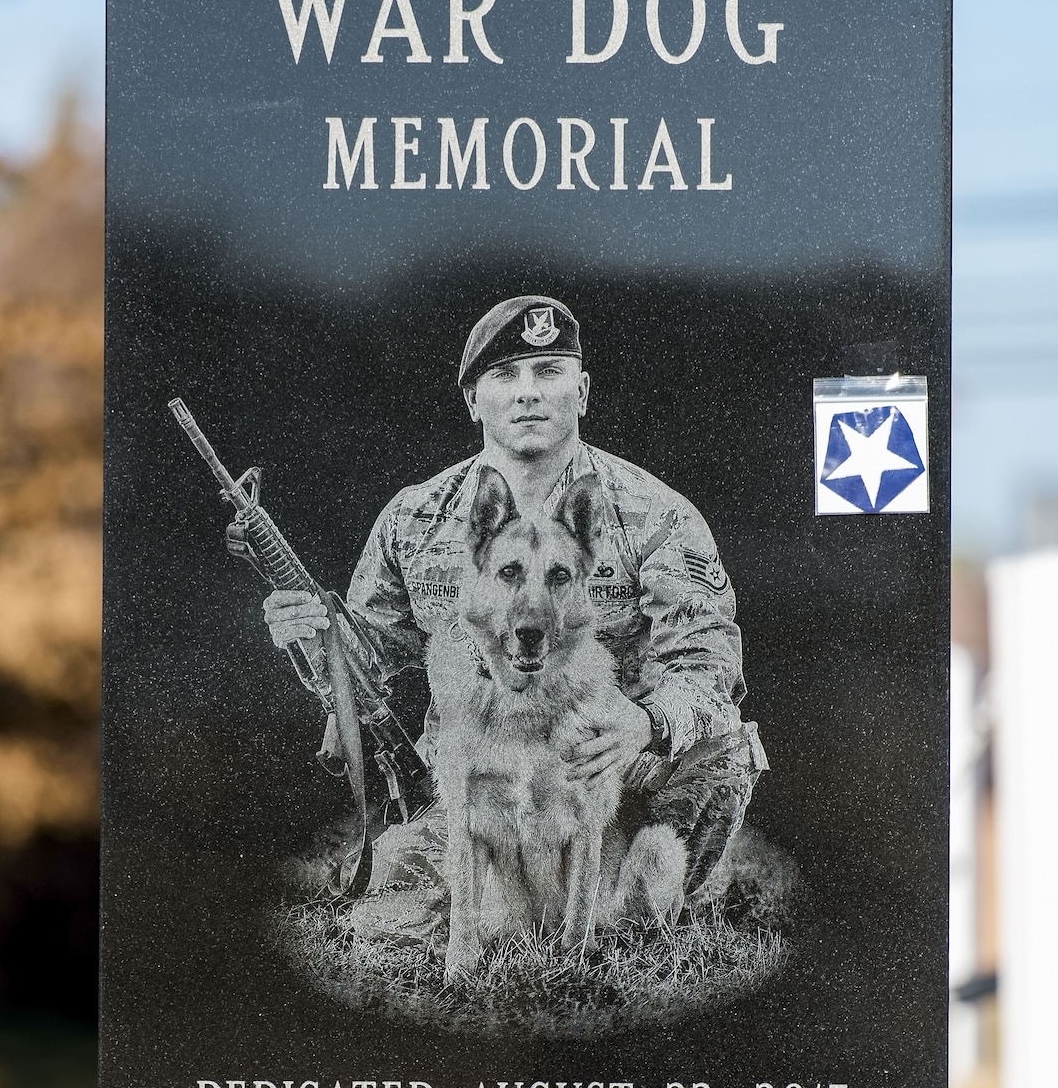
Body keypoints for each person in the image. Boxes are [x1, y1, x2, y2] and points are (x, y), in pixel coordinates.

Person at [263, 295, 767, 931]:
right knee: (386, 900)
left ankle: (643, 899)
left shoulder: (654, 514)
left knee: (723, 750)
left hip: (612, 778)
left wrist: (646, 722)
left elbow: (708, 663)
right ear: (473, 399)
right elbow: (369, 667)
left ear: (581, 391)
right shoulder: (414, 519)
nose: (528, 393)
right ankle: (501, 901)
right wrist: (310, 635)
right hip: (484, 785)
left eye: (549, 372)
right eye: (505, 376)